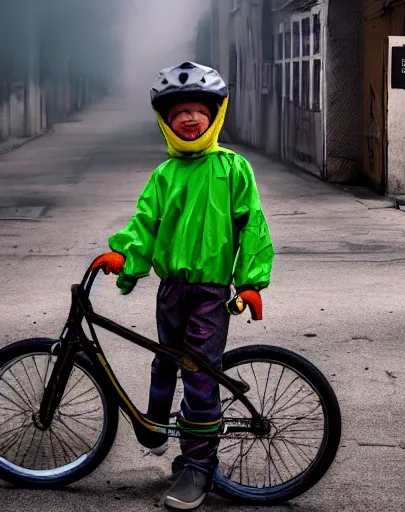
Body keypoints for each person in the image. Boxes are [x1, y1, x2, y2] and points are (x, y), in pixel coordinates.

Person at [95, 62, 274, 510]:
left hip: (211, 294)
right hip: (171, 289)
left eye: (198, 110)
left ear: (215, 114)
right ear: (166, 121)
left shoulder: (233, 169)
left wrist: (250, 282)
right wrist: (126, 255)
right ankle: (156, 425)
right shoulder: (164, 176)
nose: (190, 119)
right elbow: (145, 224)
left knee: (197, 377)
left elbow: (252, 225)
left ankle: (199, 467)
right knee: (164, 363)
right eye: (179, 113)